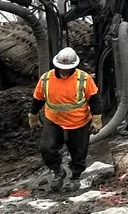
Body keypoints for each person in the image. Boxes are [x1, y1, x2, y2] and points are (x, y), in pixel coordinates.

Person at [29, 46, 103, 191]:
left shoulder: (84, 79)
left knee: (78, 153)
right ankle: (58, 172)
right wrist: (33, 115)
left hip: (79, 121)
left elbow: (95, 100)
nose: (64, 71)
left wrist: (96, 119)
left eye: (67, 68)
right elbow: (37, 99)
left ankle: (75, 177)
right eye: (61, 68)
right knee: (46, 148)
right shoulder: (46, 79)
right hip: (54, 120)